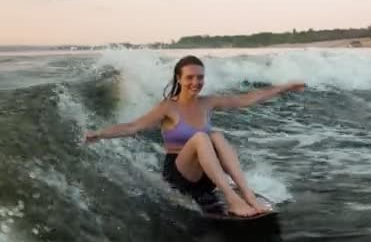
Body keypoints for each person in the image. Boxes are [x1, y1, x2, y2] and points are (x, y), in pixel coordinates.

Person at [85, 55, 305, 217]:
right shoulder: (168, 107)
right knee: (202, 137)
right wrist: (100, 134)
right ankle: (232, 199)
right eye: (190, 77)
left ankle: (247, 196)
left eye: (200, 78)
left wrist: (284, 87)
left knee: (216, 136)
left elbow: (245, 99)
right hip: (180, 175)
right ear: (179, 79)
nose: (196, 83)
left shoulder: (207, 102)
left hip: (206, 177)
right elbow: (133, 126)